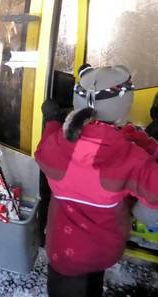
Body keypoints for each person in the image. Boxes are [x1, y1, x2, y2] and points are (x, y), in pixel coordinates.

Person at [35, 65, 158, 297]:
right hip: (104, 249)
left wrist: (51, 121)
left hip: (66, 251)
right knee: (92, 284)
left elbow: (42, 151)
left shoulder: (57, 146)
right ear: (123, 107)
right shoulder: (130, 155)